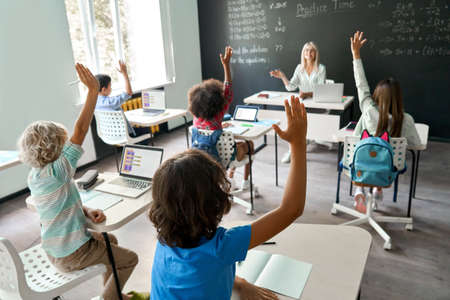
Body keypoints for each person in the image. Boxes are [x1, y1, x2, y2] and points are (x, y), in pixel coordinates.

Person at [149, 95, 307, 300]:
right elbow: (291, 209)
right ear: (214, 201)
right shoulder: (221, 248)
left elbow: (200, 271)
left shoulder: (164, 241)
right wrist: (298, 144)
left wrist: (240, 283)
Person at [18, 64, 138, 300]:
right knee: (130, 259)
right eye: (63, 143)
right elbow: (81, 129)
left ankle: (114, 293)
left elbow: (61, 203)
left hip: (55, 250)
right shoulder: (59, 171)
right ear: (55, 148)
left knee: (109, 239)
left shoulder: (36, 175)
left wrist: (86, 210)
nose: (67, 146)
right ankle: (110, 298)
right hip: (72, 254)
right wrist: (92, 91)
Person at [350, 31, 421, 213]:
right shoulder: (406, 120)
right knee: (384, 157)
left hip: (360, 164)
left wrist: (356, 55)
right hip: (387, 169)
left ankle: (360, 188)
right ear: (398, 98)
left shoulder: (368, 110)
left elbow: (361, 85)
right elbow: (415, 145)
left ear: (377, 97)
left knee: (368, 151)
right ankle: (377, 187)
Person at [188, 46, 255, 191]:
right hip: (223, 158)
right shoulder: (218, 115)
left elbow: (209, 126)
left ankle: (229, 179)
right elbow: (228, 89)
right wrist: (226, 65)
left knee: (231, 143)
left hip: (202, 158)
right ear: (218, 102)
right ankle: (245, 181)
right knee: (249, 144)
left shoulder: (196, 117)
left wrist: (219, 127)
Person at [269, 42, 328, 163]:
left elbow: (322, 89)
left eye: (311, 50)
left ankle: (299, 146)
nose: (309, 53)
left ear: (315, 53)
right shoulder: (299, 68)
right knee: (293, 122)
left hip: (317, 105)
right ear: (303, 53)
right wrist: (282, 76)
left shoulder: (321, 68)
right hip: (303, 104)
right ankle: (293, 151)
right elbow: (291, 87)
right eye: (306, 50)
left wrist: (307, 94)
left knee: (299, 119)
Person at [95, 60, 149, 137]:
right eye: (110, 86)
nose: (111, 88)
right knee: (147, 130)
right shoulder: (111, 102)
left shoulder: (93, 102)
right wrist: (125, 74)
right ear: (104, 89)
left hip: (110, 136)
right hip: (126, 135)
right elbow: (128, 93)